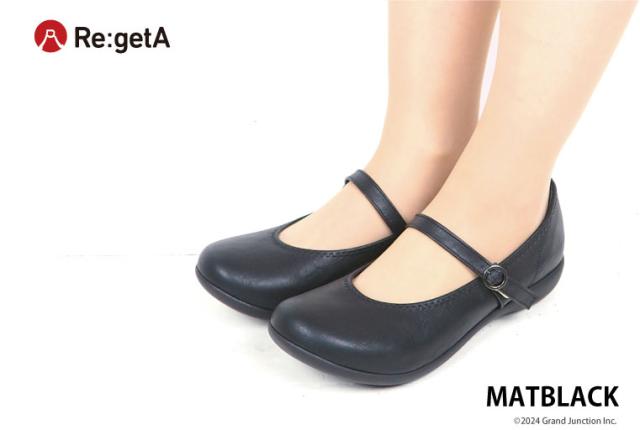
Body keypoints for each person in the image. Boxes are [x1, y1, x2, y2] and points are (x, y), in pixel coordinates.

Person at [196, 1, 636, 385]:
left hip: (499, 220)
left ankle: (498, 202)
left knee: (505, 169)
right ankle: (423, 163)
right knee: (425, 137)